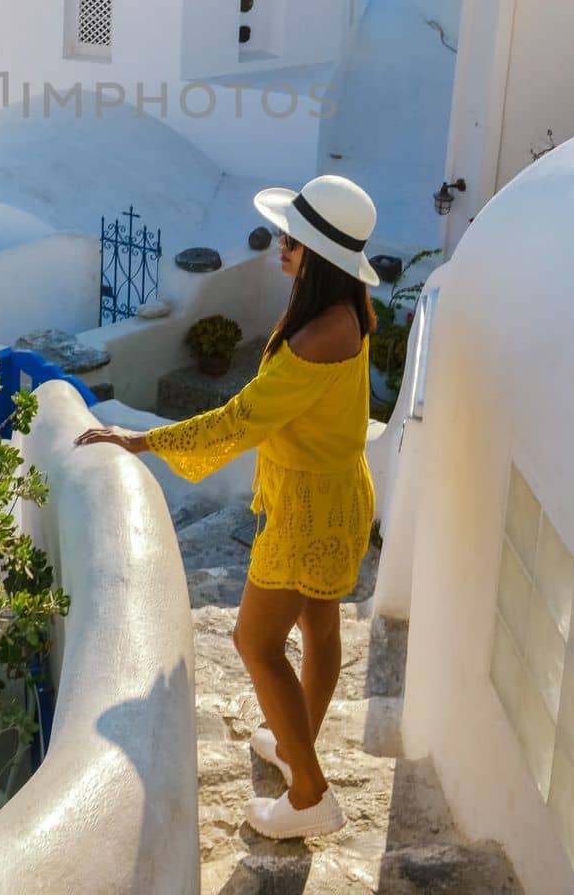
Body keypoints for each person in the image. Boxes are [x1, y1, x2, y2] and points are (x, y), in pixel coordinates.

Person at [74, 174, 379, 841]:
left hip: (308, 509)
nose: (278, 246)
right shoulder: (344, 310)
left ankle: (309, 792)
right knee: (319, 626)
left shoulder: (315, 335)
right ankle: (292, 741)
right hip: (335, 492)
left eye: (291, 240)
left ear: (319, 255)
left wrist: (144, 439)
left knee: (254, 641)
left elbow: (241, 419)